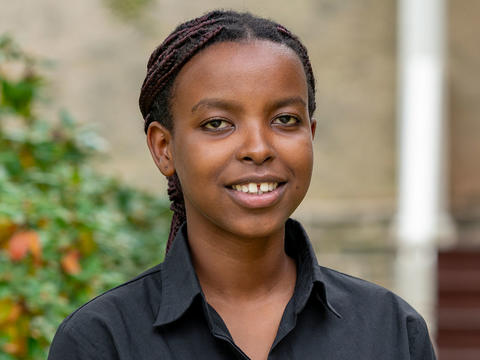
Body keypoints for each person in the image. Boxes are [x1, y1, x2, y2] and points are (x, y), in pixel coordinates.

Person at [48, 10, 437, 360]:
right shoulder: (103, 340)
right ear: (164, 148)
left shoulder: (390, 330)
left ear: (311, 134)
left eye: (285, 120)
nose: (258, 148)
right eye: (218, 124)